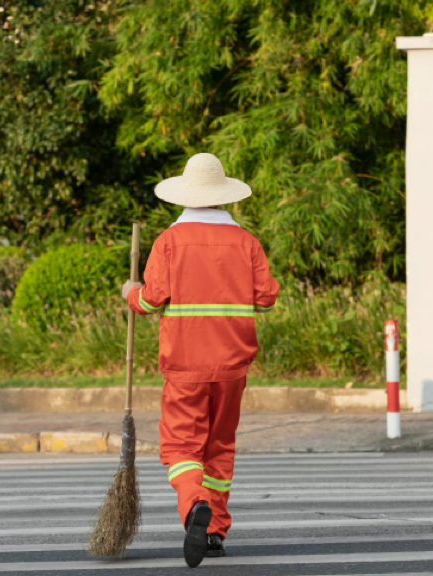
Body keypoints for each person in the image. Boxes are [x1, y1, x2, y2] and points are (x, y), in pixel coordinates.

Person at [122, 153, 279, 568]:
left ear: (184, 197)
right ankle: (214, 533)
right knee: (219, 448)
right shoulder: (246, 242)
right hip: (232, 367)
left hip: (186, 366)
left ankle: (195, 507)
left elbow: (150, 300)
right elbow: (266, 299)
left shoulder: (168, 242)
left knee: (180, 448)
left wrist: (129, 292)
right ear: (223, 196)